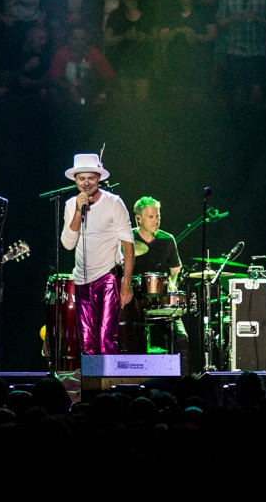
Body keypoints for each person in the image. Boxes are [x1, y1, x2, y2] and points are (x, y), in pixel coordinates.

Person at [60, 152, 134, 355]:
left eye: (90, 178)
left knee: (105, 339)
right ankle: (92, 386)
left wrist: (126, 283)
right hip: (82, 279)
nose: (86, 183)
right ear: (75, 180)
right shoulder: (70, 205)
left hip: (108, 277)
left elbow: (128, 244)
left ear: (99, 178)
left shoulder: (113, 202)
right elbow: (67, 244)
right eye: (81, 179)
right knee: (86, 342)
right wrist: (77, 210)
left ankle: (109, 385)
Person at [129, 196, 190, 371]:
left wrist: (172, 283)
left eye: (158, 216)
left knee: (181, 339)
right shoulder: (127, 239)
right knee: (130, 340)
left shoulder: (167, 239)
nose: (156, 220)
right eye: (151, 217)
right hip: (135, 300)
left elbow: (175, 269)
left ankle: (184, 383)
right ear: (138, 218)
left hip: (161, 300)